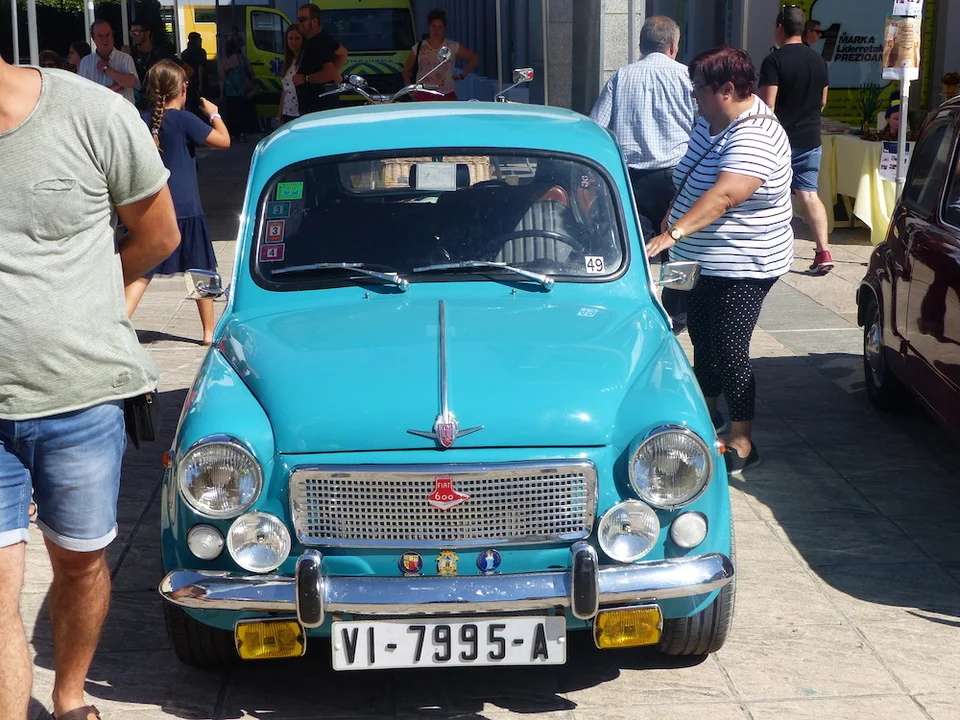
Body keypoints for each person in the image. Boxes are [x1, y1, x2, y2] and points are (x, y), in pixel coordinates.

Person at [0, 54, 178, 720]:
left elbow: (158, 234)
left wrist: (87, 301)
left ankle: (70, 695)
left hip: (80, 400)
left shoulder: (93, 114)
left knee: (79, 566)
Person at [645, 45, 794, 475]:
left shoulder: (757, 134)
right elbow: (689, 178)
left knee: (730, 347)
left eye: (698, 88)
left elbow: (727, 194)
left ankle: (743, 439)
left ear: (727, 89)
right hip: (700, 258)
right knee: (702, 337)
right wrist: (674, 218)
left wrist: (673, 233)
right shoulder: (709, 123)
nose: (693, 95)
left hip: (744, 261)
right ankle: (706, 414)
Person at [589, 15, 696, 332]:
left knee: (636, 248)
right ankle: (676, 316)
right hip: (678, 176)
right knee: (677, 246)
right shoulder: (687, 77)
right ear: (674, 46)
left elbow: (597, 126)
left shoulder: (622, 76)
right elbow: (703, 127)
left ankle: (638, 307)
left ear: (641, 45)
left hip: (631, 177)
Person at [126, 59, 230, 345]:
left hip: (153, 208)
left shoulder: (142, 119)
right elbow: (224, 141)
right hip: (187, 207)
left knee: (142, 272)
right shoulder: (185, 120)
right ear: (183, 88)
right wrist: (214, 113)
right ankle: (208, 333)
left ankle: (119, 323)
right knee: (201, 269)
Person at [759, 5, 834, 275]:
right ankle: (823, 251)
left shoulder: (773, 61)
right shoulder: (818, 61)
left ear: (780, 28)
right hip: (810, 138)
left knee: (768, 193)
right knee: (809, 194)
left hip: (779, 140)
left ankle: (767, 250)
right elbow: (822, 101)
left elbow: (767, 106)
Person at [401, 8, 478, 101]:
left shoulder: (452, 46)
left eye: (439, 27)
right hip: (423, 94)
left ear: (444, 28)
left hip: (446, 94)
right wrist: (409, 88)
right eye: (433, 26)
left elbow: (474, 58)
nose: (436, 30)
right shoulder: (419, 47)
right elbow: (406, 69)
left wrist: (462, 75)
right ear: (429, 27)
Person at [293, 4, 348, 114]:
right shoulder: (319, 39)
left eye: (302, 20)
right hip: (317, 106)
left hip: (318, 107)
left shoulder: (319, 42)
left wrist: (305, 79)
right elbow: (343, 52)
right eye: (298, 20)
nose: (299, 23)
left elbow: (329, 73)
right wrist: (335, 74)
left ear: (314, 21)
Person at [77, 19, 138, 104]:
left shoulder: (125, 59)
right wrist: (115, 87)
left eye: (107, 35)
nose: (105, 39)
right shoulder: (86, 62)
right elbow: (83, 92)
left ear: (112, 35)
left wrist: (107, 69)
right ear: (93, 39)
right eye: (100, 36)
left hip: (122, 111)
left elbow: (132, 82)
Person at [218, 38, 258, 141]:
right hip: (242, 89)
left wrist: (221, 93)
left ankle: (234, 133)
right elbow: (251, 73)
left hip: (230, 90)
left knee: (232, 113)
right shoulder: (242, 59)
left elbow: (222, 79)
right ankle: (243, 133)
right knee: (243, 112)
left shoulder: (224, 62)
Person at [278, 25, 304, 125]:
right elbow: (285, 90)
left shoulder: (305, 62)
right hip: (287, 112)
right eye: (290, 38)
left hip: (301, 112)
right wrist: (279, 114)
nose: (293, 42)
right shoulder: (287, 62)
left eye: (297, 38)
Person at [180, 32, 207, 115]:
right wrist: (201, 85)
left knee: (190, 105)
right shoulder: (201, 52)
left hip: (189, 81)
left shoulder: (184, 53)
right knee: (201, 105)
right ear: (197, 40)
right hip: (198, 81)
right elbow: (200, 67)